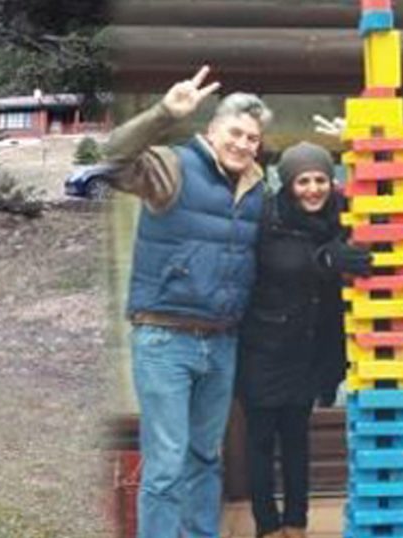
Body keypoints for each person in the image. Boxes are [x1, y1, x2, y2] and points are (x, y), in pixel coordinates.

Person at [100, 65, 270, 537]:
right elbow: (111, 158)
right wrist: (162, 114)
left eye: (252, 137)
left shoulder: (258, 190)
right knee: (167, 465)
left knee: (204, 457)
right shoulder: (173, 166)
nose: (242, 143)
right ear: (211, 131)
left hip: (221, 343)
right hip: (164, 340)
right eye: (235, 132)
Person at [235, 142, 371, 538]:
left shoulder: (340, 215)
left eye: (320, 180)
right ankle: (267, 525)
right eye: (303, 181)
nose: (313, 189)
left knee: (297, 440)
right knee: (260, 442)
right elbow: (279, 264)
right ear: (289, 183)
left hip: (309, 351)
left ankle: (296, 523)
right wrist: (324, 260)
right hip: (264, 347)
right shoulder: (267, 217)